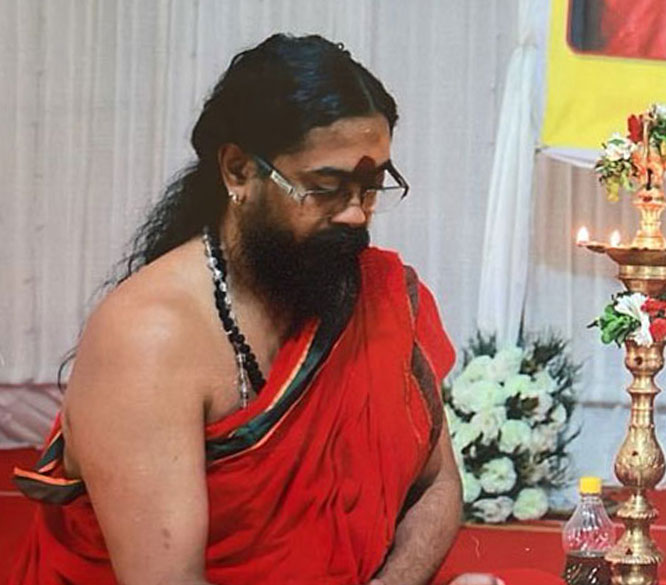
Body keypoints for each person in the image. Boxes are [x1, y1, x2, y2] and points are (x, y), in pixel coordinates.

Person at [8, 34, 496, 585]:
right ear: (239, 171)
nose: (356, 215)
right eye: (327, 187)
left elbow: (437, 485)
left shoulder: (377, 294)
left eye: (372, 186)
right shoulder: (149, 337)